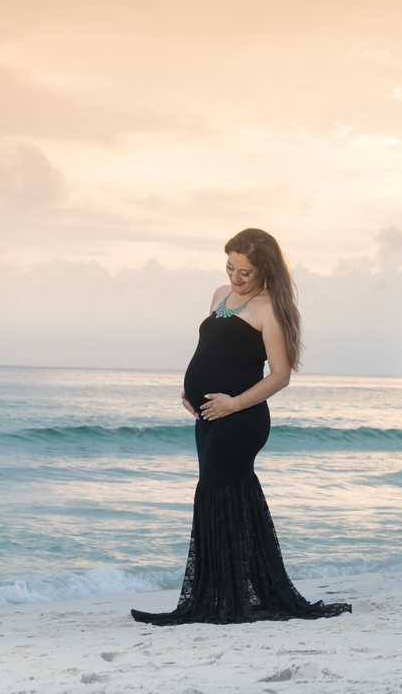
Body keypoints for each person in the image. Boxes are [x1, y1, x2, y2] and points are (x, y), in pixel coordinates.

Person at [132, 228, 350, 625]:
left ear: (264, 269)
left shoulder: (270, 309)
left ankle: (226, 599)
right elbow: (211, 350)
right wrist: (189, 390)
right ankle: (227, 596)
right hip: (209, 416)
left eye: (245, 272)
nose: (235, 277)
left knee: (219, 496)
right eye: (230, 266)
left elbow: (280, 375)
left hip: (242, 418)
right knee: (226, 499)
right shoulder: (221, 295)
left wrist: (233, 403)